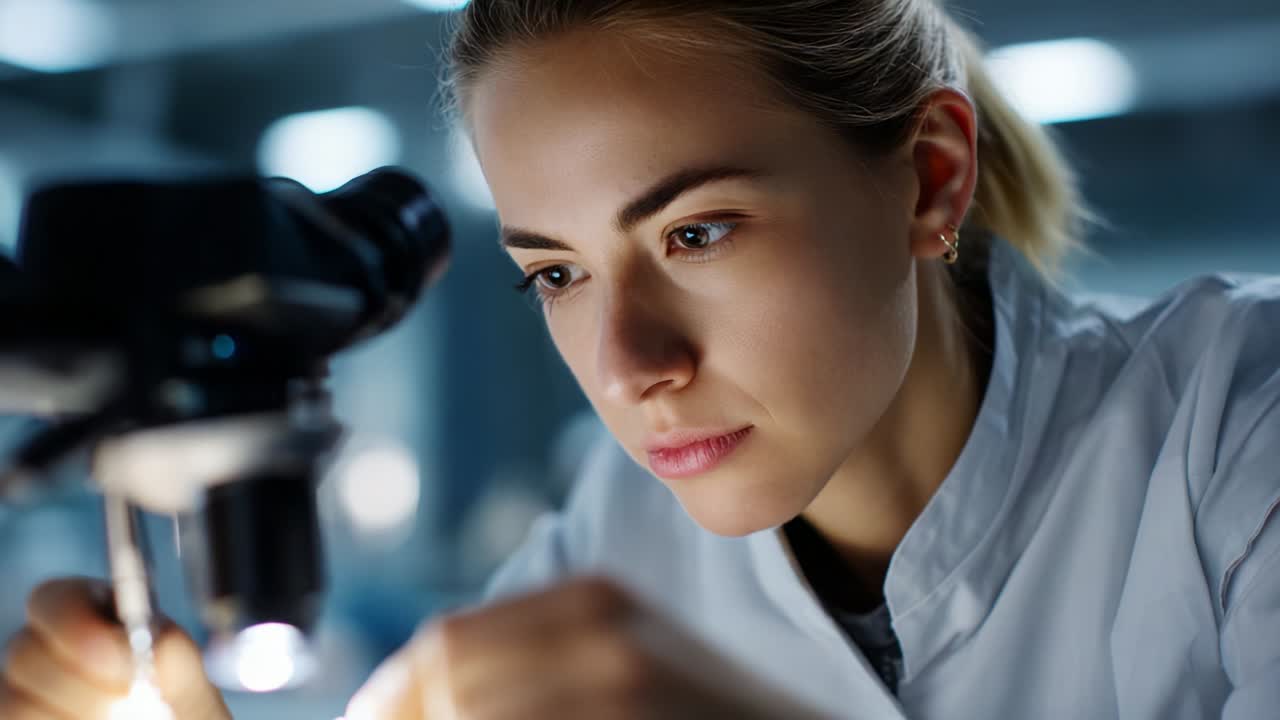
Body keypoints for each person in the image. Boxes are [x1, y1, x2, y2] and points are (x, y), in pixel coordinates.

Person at [4, 0, 1278, 717]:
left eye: (697, 230)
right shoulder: (613, 539)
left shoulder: (1237, 427)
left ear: (927, 181)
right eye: (554, 272)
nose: (625, 364)